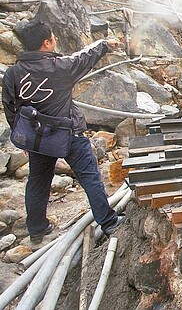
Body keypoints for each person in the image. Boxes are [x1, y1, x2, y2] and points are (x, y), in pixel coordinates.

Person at [2, 20, 124, 244]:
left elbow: (11, 109)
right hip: (68, 135)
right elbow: (85, 57)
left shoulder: (13, 74)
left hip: (37, 139)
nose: (55, 40)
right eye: (53, 37)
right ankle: (108, 222)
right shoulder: (61, 67)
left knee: (38, 182)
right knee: (90, 177)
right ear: (46, 43)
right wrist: (106, 44)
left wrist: (24, 141)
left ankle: (37, 229)